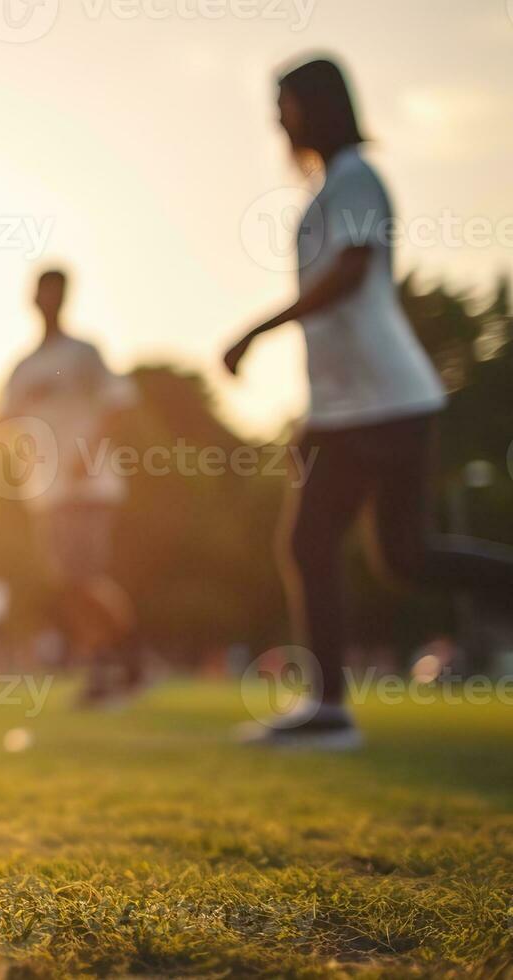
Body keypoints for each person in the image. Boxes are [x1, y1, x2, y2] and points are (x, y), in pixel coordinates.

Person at [222, 56, 513, 749]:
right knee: (402, 557)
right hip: (354, 406)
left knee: (316, 542)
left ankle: (329, 711)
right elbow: (332, 331)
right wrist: (313, 416)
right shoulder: (328, 188)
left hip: (390, 399)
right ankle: (328, 708)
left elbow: (349, 277)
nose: (278, 119)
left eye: (286, 103)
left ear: (319, 105)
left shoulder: (356, 179)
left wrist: (255, 330)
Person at [1, 267, 141, 707]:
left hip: (88, 484)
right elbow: (5, 424)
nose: (49, 301)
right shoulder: (23, 367)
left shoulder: (84, 353)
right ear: (33, 299)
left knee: (85, 576)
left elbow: (117, 403)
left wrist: (87, 452)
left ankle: (115, 663)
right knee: (66, 583)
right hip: (46, 491)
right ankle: (116, 662)